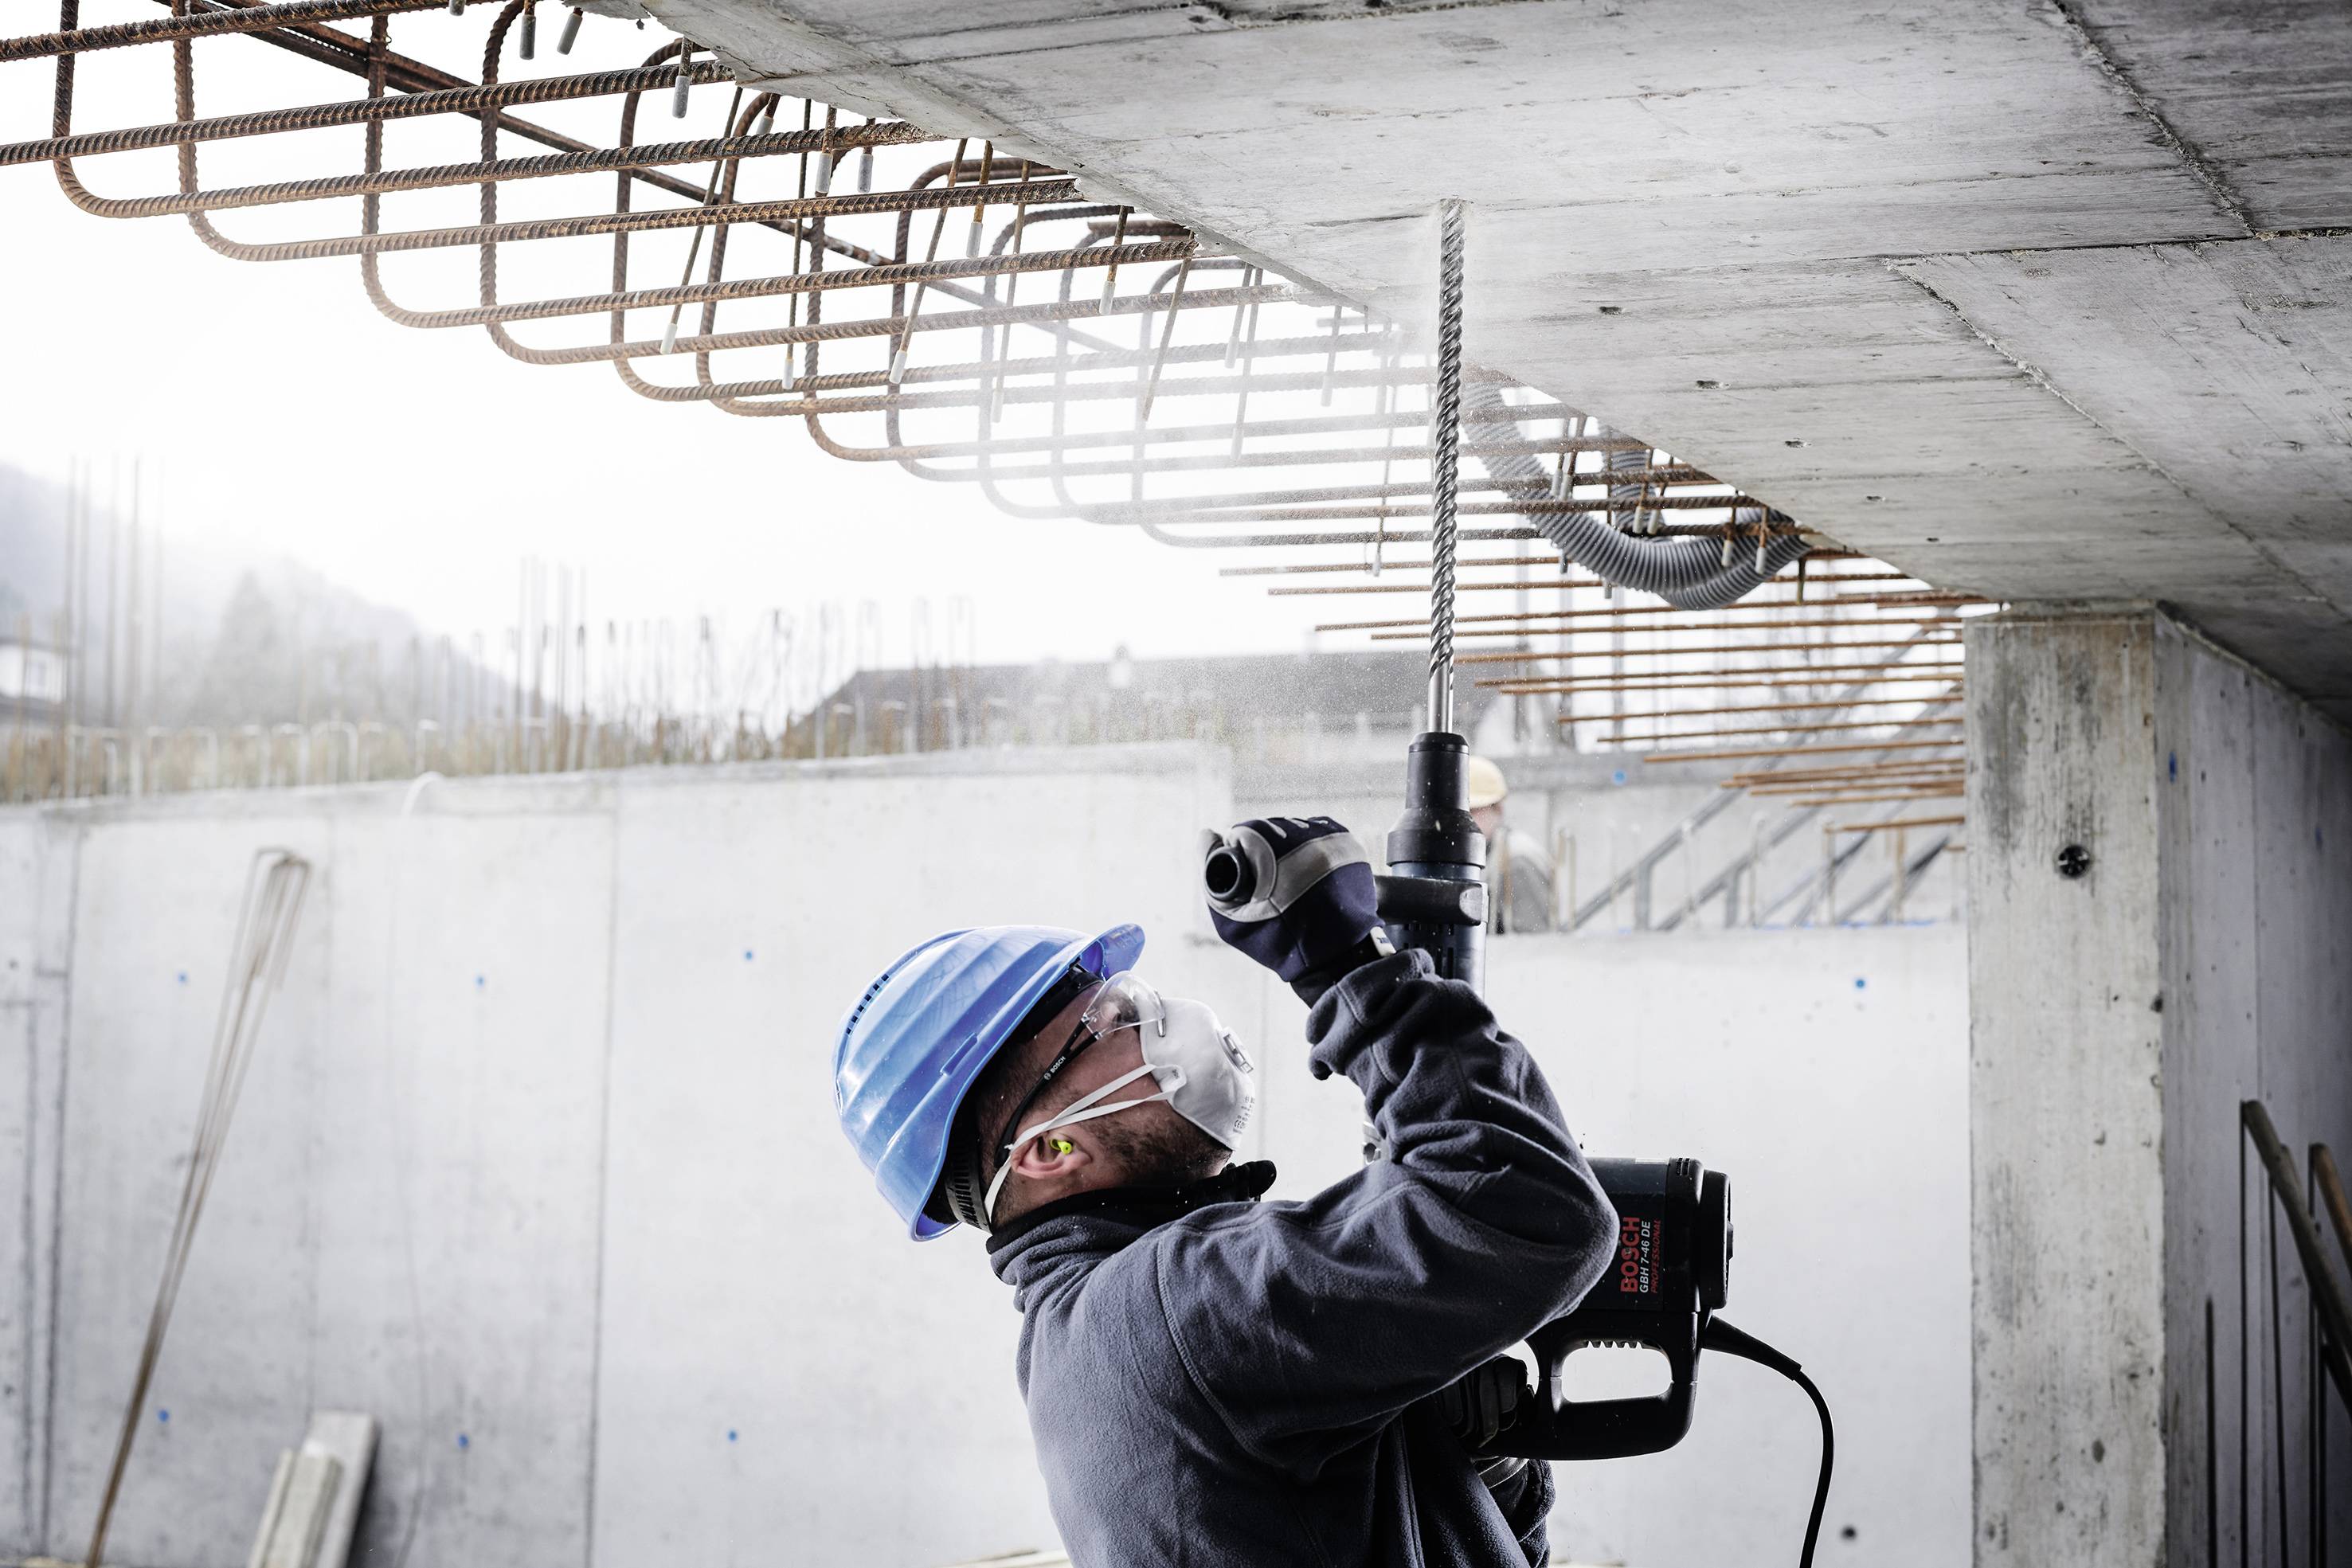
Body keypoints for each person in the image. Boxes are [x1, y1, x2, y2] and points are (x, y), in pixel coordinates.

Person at [833, 815, 1617, 1567]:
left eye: (1130, 993)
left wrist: (1481, 1474)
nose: (1157, 1015)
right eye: (1110, 1021)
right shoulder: (1174, 1311)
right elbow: (1534, 1215)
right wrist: (1351, 972)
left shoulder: (1091, 1338)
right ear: (1051, 1150)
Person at [1466, 756, 1556, 933]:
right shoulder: (1487, 853)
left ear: (1498, 808)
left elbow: (1533, 942)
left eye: (1473, 811)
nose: (1462, 821)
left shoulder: (1517, 862)